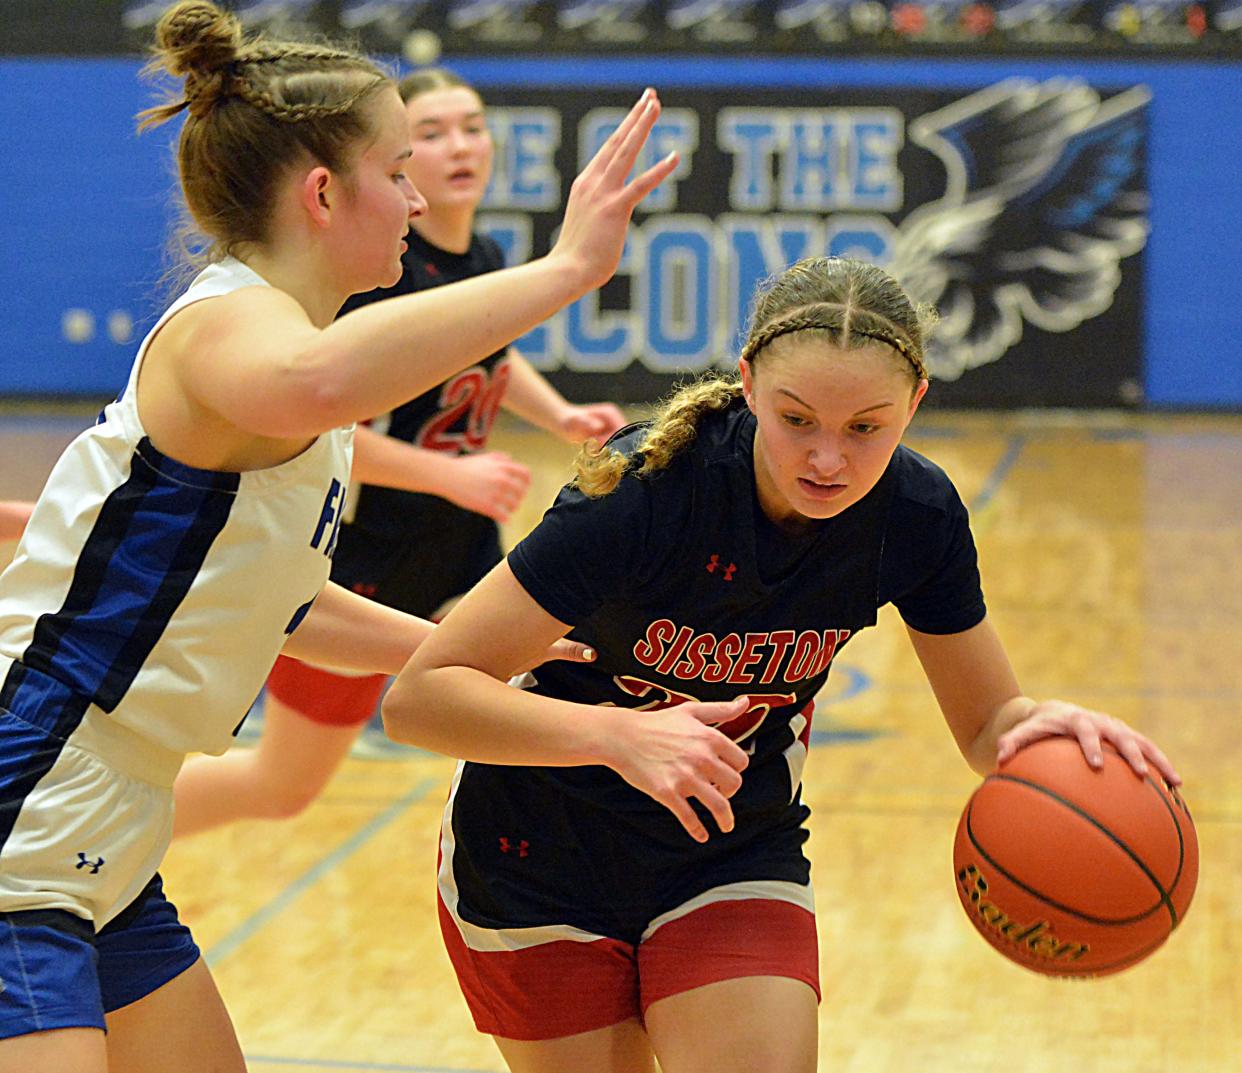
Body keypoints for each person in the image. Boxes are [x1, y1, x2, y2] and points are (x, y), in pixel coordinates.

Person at [0, 2, 686, 1069]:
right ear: (322, 192)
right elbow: (323, 376)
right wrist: (564, 273)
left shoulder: (294, 370)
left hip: (116, 825)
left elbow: (280, 601)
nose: (418, 196)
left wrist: (465, 647)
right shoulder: (231, 326)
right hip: (33, 792)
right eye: (400, 168)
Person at [383, 256, 1182, 1073]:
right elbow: (421, 699)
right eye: (797, 419)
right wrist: (620, 737)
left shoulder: (915, 517)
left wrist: (1035, 727)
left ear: (915, 403)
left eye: (865, 428)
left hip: (729, 849)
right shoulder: (645, 491)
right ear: (748, 385)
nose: (827, 459)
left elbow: (986, 724)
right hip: (533, 856)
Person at [172, 68, 626, 836]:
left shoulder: (478, 252)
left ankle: (536, 868)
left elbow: (488, 357)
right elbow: (325, 421)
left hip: (456, 546)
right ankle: (114, 827)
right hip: (359, 562)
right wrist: (450, 472)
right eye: (432, 134)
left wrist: (559, 416)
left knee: (549, 686)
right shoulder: (376, 270)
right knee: (281, 785)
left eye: (473, 126)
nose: (459, 147)